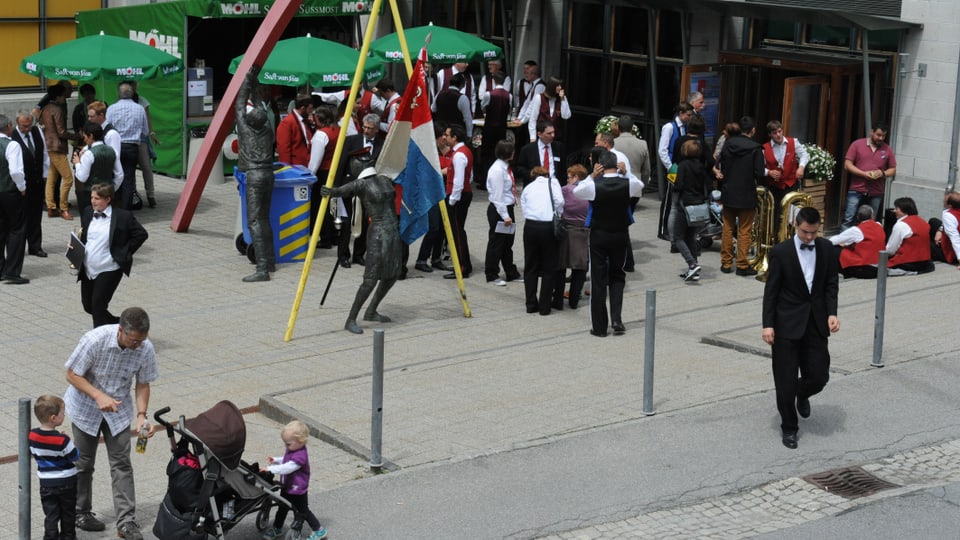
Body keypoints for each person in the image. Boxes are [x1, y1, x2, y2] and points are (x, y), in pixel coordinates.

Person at [64, 306, 158, 539]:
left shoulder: (145, 348)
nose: (138, 345)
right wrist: (98, 396)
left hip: (118, 410)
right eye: (134, 340)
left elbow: (143, 383)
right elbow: (72, 374)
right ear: (121, 330)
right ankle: (80, 512)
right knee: (84, 463)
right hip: (86, 408)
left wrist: (141, 415)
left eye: (141, 340)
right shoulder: (94, 340)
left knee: (121, 464)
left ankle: (126, 522)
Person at [762, 207, 840, 450]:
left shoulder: (826, 248)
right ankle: (789, 428)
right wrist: (768, 324)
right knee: (784, 379)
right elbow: (771, 292)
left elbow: (830, 284)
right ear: (796, 225)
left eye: (814, 233)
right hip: (786, 324)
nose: (809, 237)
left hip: (815, 323)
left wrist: (831, 313)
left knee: (819, 375)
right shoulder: (781, 252)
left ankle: (802, 392)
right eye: (806, 232)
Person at [321, 160, 401, 334]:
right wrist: (328, 190)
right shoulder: (360, 184)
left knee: (393, 274)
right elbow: (338, 192)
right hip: (378, 233)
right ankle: (351, 319)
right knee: (370, 279)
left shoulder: (384, 179)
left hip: (393, 230)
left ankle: (371, 310)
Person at [574, 150, 644, 337]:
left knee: (598, 280)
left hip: (599, 234)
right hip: (620, 234)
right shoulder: (627, 183)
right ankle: (616, 319)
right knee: (617, 275)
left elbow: (577, 191)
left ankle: (599, 327)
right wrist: (626, 173)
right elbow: (640, 186)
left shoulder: (595, 185)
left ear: (600, 166)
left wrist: (591, 176)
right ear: (618, 165)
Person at [71, 183, 148, 327]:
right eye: (92, 197)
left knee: (98, 306)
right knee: (88, 306)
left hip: (109, 268)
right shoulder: (88, 212)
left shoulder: (122, 216)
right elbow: (85, 236)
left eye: (97, 198)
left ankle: (99, 341)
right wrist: (76, 246)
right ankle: (117, 323)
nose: (93, 201)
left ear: (108, 199)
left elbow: (141, 234)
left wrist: (124, 252)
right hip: (88, 268)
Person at [234, 66, 277, 282]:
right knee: (265, 219)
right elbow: (259, 104)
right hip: (269, 174)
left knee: (255, 221)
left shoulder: (245, 128)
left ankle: (263, 269)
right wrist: (256, 84)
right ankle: (269, 260)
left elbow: (240, 103)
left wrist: (248, 79)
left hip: (254, 175)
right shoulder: (267, 127)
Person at [713, 117, 765, 276]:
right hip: (747, 193)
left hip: (729, 192)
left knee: (727, 228)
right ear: (753, 130)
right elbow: (759, 173)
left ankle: (726, 263)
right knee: (745, 230)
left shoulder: (728, 144)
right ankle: (742, 265)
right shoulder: (756, 148)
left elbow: (720, 164)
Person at [260, 421, 328, 540]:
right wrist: (276, 460)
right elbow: (286, 460)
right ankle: (277, 528)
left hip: (298, 489)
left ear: (300, 441)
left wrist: (270, 469)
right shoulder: (293, 449)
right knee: (282, 508)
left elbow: (288, 467)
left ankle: (319, 530)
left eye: (288, 444)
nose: (286, 446)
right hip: (288, 486)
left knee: (303, 511)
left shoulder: (301, 455)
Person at [335, 114, 384, 268]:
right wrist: (337, 187)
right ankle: (343, 255)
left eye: (370, 128)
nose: (366, 130)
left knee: (364, 222)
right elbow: (341, 163)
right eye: (365, 127)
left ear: (376, 129)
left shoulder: (381, 145)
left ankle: (359, 254)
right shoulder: (351, 141)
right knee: (346, 222)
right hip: (350, 186)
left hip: (369, 189)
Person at [29, 394, 80, 540]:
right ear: (53, 418)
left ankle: (50, 537)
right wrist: (68, 440)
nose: (64, 415)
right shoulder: (62, 440)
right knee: (68, 513)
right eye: (63, 413)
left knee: (51, 514)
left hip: (46, 483)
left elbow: (32, 450)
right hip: (66, 481)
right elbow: (75, 456)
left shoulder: (32, 435)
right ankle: (68, 537)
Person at [520, 166, 564, 315]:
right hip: (547, 226)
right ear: (546, 175)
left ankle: (530, 304)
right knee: (549, 267)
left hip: (531, 226)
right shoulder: (553, 183)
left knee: (530, 265)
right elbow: (560, 201)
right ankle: (545, 306)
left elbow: (524, 207)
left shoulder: (528, 188)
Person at [413, 122, 452, 273]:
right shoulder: (429, 153)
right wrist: (440, 172)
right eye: (442, 135)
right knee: (434, 227)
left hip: (447, 193)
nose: (444, 138)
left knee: (443, 227)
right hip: (431, 194)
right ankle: (422, 259)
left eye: (446, 135)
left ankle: (436, 258)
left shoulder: (452, 152)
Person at [842, 122, 896, 229]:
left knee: (871, 221)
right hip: (857, 188)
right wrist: (863, 174)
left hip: (876, 191)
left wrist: (882, 173)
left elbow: (893, 169)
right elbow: (847, 165)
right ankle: (843, 243)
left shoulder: (887, 149)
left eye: (883, 136)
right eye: (878, 135)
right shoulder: (857, 144)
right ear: (872, 132)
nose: (881, 138)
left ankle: (867, 243)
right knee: (849, 218)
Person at [11, 110, 49, 257]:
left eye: (28, 125)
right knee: (21, 217)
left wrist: (45, 175)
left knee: (36, 215)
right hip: (20, 185)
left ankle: (35, 246)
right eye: (23, 126)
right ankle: (19, 248)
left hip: (37, 182)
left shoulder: (37, 131)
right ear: (17, 123)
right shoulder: (12, 136)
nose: (26, 129)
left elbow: (44, 154)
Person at [671, 140, 711, 282]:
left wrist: (674, 187)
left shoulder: (682, 166)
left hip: (685, 205)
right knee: (690, 237)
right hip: (698, 205)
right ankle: (693, 269)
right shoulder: (701, 166)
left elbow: (679, 185)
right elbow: (706, 186)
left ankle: (692, 263)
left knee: (678, 237)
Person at [106, 83, 149, 211]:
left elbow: (106, 128)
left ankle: (115, 207)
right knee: (128, 179)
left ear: (119, 93)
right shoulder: (140, 109)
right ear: (132, 93)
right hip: (132, 147)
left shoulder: (112, 108)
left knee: (115, 175)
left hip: (115, 146)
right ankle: (126, 210)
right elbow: (145, 131)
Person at [484, 139, 522, 285]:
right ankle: (491, 273)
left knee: (507, 243)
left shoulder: (505, 167)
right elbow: (497, 196)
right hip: (500, 210)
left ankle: (510, 271)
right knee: (497, 242)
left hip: (507, 208)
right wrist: (505, 216)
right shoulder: (497, 170)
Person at [761, 120, 809, 232]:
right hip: (775, 187)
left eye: (779, 131)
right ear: (770, 135)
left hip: (791, 184)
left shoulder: (793, 142)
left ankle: (791, 237)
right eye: (774, 133)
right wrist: (768, 172)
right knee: (775, 215)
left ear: (782, 130)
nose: (778, 135)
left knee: (793, 215)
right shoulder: (764, 148)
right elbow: (758, 167)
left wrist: (801, 167)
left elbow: (804, 155)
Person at [656, 102, 694, 240]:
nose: (690, 117)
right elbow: (662, 149)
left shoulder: (685, 127)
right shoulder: (669, 127)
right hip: (672, 167)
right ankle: (662, 230)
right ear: (681, 113)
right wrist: (670, 167)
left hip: (680, 167)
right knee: (668, 200)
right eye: (688, 115)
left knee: (675, 200)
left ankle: (673, 228)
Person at [555, 164, 591, 308]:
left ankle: (557, 300)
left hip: (566, 230)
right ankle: (574, 300)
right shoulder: (589, 191)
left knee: (560, 266)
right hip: (583, 232)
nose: (567, 180)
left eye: (569, 177)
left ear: (576, 177)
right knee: (580, 269)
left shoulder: (565, 190)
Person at [0, 114, 30, 284]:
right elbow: (16, 171)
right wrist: (22, 188)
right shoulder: (12, 145)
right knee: (17, 229)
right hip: (10, 192)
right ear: (9, 127)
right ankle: (12, 271)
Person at [442, 124, 474, 279]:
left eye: (447, 135)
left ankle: (463, 266)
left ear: (454, 137)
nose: (445, 138)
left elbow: (459, 182)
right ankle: (461, 262)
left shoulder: (459, 155)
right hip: (462, 195)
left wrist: (452, 200)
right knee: (458, 231)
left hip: (458, 197)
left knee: (457, 232)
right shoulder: (463, 152)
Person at [41, 83, 77, 219]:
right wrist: (76, 136)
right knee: (68, 178)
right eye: (64, 95)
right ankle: (63, 208)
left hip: (49, 145)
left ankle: (51, 207)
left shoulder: (45, 108)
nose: (66, 98)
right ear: (59, 96)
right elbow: (61, 132)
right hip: (57, 147)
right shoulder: (58, 109)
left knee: (51, 178)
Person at [72, 122, 123, 213]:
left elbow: (82, 177)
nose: (84, 140)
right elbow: (120, 175)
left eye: (84, 137)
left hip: (90, 194)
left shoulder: (89, 154)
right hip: (108, 193)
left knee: (89, 222)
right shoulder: (113, 151)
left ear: (91, 136)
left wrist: (77, 163)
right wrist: (112, 188)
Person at [126, 81, 159, 208]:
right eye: (130, 85)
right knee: (130, 168)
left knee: (146, 166)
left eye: (134, 85)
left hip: (141, 139)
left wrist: (151, 133)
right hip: (127, 140)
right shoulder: (120, 103)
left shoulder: (142, 101)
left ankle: (150, 195)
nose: (133, 87)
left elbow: (147, 118)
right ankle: (133, 194)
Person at [828, 204, 884, 279]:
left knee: (834, 248)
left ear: (858, 217)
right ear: (872, 216)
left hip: (865, 269)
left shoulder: (856, 230)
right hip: (879, 267)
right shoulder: (879, 225)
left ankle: (835, 272)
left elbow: (832, 241)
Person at [886, 196, 935, 275]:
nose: (894, 211)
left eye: (897, 208)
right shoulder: (922, 221)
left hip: (908, 263)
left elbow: (891, 250)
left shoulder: (901, 225)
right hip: (925, 262)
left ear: (904, 210)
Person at [515, 120, 565, 185]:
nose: (553, 135)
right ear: (539, 134)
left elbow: (563, 168)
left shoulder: (558, 147)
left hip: (554, 184)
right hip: (535, 185)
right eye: (549, 133)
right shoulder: (528, 149)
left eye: (553, 132)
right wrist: (531, 173)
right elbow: (519, 168)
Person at [524, 77, 571, 143]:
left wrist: (563, 99)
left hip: (555, 137)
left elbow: (566, 116)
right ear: (552, 86)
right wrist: (533, 138)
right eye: (558, 85)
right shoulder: (539, 98)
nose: (560, 87)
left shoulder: (561, 99)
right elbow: (533, 119)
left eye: (561, 86)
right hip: (541, 137)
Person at [614, 115, 651, 187]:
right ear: (632, 128)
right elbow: (646, 171)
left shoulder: (612, 143)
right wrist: (643, 185)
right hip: (635, 185)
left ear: (618, 127)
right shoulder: (643, 144)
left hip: (616, 185)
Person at [277, 94, 314, 167]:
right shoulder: (287, 123)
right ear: (303, 108)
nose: (311, 112)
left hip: (306, 164)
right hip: (295, 165)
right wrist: (286, 168)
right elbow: (284, 149)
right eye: (310, 109)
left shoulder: (306, 120)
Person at [432, 72, 473, 137]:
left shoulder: (439, 95)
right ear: (462, 85)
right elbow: (467, 118)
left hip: (441, 133)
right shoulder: (462, 98)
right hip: (455, 134)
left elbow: (433, 110)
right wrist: (469, 134)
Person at [931, 191, 960, 269]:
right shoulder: (953, 213)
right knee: (933, 221)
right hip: (949, 237)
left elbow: (955, 238)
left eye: (945, 201)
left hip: (951, 252)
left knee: (925, 245)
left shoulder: (949, 216)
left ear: (950, 205)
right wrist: (940, 230)